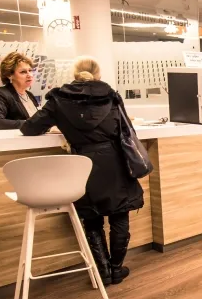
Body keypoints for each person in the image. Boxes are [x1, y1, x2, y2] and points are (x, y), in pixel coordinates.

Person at [18, 56, 145, 287]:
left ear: (74, 75)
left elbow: (29, 128)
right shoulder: (111, 97)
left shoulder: (58, 100)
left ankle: (103, 271)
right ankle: (116, 269)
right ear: (98, 75)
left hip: (81, 164)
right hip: (114, 161)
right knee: (119, 214)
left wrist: (61, 125)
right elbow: (125, 129)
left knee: (92, 218)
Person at [0, 52, 39, 130]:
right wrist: (30, 124)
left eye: (30, 70)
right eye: (23, 72)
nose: (29, 75)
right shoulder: (1, 94)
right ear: (9, 75)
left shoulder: (30, 95)